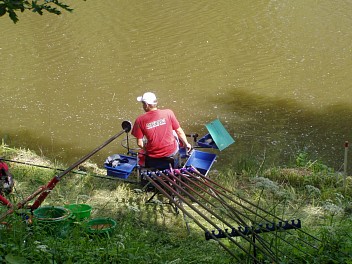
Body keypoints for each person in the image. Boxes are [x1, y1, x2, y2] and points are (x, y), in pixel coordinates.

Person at [131, 92, 192, 168]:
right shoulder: (168, 113)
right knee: (174, 131)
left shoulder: (139, 120)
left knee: (147, 140)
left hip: (153, 155)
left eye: (143, 104)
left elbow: (139, 143)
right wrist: (186, 144)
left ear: (146, 105)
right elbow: (179, 131)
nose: (143, 106)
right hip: (171, 152)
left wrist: (147, 150)